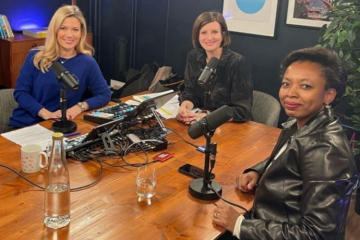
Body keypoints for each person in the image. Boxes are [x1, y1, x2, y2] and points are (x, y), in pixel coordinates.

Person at [213, 47, 359, 239]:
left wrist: (240, 225)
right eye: (286, 84)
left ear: (328, 95)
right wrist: (257, 171)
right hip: (268, 218)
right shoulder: (301, 123)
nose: (291, 93)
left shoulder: (326, 151)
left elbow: (318, 235)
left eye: (305, 86)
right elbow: (286, 156)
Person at [9, 5, 111, 129]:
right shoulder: (36, 57)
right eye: (63, 28)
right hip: (28, 124)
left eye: (75, 29)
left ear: (81, 33)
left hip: (62, 127)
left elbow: (104, 94)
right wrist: (45, 113)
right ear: (55, 30)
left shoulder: (87, 62)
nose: (69, 35)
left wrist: (79, 107)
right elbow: (21, 93)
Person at [177, 11, 252, 125]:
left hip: (231, 127)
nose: (209, 37)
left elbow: (242, 111)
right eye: (204, 32)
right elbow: (190, 92)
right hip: (198, 123)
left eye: (215, 32)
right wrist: (185, 107)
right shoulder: (193, 56)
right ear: (197, 35)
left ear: (223, 34)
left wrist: (207, 116)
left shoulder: (237, 62)